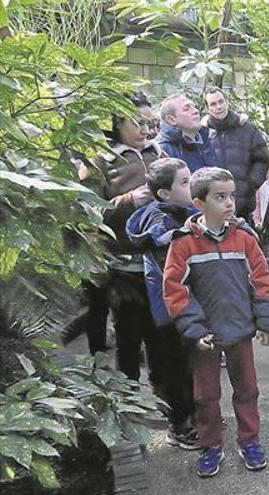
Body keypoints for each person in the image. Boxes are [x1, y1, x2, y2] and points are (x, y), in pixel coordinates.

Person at [163, 167, 269, 478]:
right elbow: (175, 289)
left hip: (240, 329)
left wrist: (265, 321)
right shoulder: (184, 243)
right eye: (220, 197)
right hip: (207, 336)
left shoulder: (244, 238)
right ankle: (211, 445)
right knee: (205, 395)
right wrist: (195, 329)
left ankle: (250, 440)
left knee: (248, 389)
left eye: (231, 196)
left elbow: (262, 280)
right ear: (199, 203)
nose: (229, 203)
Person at [83, 91, 164, 382]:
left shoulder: (158, 154)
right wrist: (128, 200)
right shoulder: (102, 160)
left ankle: (165, 404)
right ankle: (129, 402)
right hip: (121, 265)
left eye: (149, 123)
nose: (145, 130)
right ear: (117, 122)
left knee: (159, 339)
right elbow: (88, 210)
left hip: (158, 262)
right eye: (138, 123)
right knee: (128, 339)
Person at [126, 158, 199, 451]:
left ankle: (192, 415)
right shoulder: (161, 222)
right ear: (164, 193)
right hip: (170, 312)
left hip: (179, 308)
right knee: (176, 369)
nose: (191, 185)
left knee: (187, 366)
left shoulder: (178, 212)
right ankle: (180, 424)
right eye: (184, 182)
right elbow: (174, 265)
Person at [204, 88, 269, 221]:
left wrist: (250, 185)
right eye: (213, 104)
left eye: (221, 101)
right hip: (212, 206)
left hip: (243, 206)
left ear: (227, 102)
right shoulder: (203, 133)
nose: (219, 107)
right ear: (207, 108)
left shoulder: (247, 129)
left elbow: (262, 160)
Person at [156, 93, 218, 173]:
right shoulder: (162, 150)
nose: (196, 111)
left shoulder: (207, 140)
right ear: (171, 119)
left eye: (194, 107)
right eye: (187, 109)